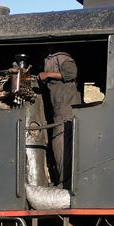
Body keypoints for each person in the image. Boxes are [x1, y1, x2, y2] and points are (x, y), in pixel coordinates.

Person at [37, 49, 79, 185]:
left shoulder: (61, 56)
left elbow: (71, 73)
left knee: (60, 142)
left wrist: (47, 74)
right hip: (59, 106)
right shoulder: (51, 58)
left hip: (66, 106)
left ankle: (66, 181)